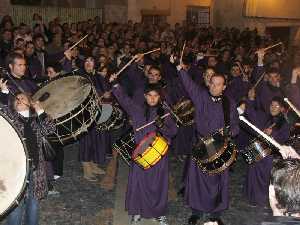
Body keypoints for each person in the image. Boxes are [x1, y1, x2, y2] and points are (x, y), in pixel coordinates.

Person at [110, 73, 177, 225]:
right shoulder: (137, 110)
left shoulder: (165, 113)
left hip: (160, 155)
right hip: (140, 154)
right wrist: (115, 84)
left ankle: (158, 213)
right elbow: (124, 100)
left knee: (158, 185)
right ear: (145, 96)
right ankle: (137, 212)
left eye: (156, 96)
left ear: (160, 97)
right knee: (138, 184)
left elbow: (173, 132)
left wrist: (163, 126)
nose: (152, 98)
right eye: (149, 95)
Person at [178, 67, 239, 225]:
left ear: (224, 87)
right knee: (198, 179)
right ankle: (196, 211)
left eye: (218, 84)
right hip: (201, 144)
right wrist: (180, 69)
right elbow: (189, 84)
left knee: (219, 181)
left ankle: (216, 214)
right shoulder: (201, 97)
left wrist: (228, 132)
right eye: (212, 83)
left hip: (219, 147)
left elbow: (235, 126)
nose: (214, 87)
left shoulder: (229, 103)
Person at [0, 79, 55, 225]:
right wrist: (4, 92)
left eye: (22, 98)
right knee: (16, 206)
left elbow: (50, 129)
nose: (18, 99)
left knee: (34, 204)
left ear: (30, 103)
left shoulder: (36, 120)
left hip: (36, 169)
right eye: (16, 99)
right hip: (17, 171)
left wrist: (41, 111)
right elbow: (2, 111)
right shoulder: (11, 118)